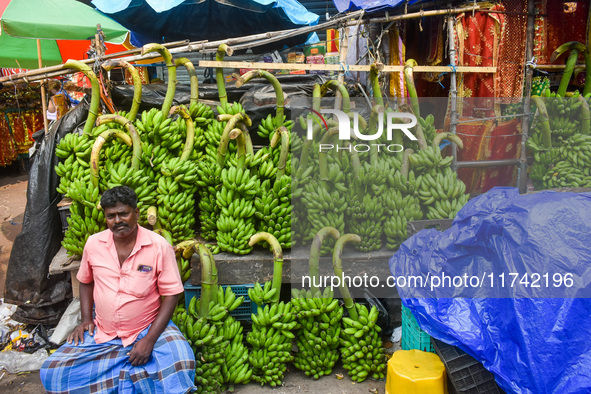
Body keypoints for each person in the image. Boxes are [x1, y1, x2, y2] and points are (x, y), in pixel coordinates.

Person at [40, 186, 196, 393]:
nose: (118, 220)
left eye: (124, 213)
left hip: (147, 328)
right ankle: (132, 374)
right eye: (111, 216)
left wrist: (149, 341)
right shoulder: (94, 244)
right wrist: (86, 320)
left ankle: (120, 372)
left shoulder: (159, 247)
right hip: (104, 332)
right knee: (52, 372)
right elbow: (86, 281)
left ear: (137, 213)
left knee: (181, 362)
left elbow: (172, 294)